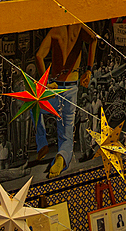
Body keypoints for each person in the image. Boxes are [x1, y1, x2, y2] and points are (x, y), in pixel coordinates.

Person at [34, 24, 97, 178]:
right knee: (66, 134)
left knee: (34, 105)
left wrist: (45, 82)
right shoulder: (79, 29)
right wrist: (88, 69)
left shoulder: (55, 31)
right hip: (71, 87)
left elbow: (38, 56)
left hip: (54, 86)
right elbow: (94, 39)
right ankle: (61, 157)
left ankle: (42, 143)